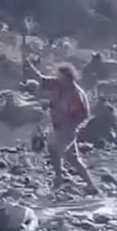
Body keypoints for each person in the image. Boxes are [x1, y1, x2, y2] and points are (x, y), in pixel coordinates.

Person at [27, 59, 99, 194]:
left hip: (68, 129)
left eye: (60, 75)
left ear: (68, 77)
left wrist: (71, 126)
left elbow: (84, 114)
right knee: (73, 159)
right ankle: (91, 185)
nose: (57, 77)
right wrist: (29, 65)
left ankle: (58, 179)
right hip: (58, 127)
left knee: (54, 150)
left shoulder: (77, 94)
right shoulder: (58, 85)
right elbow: (41, 79)